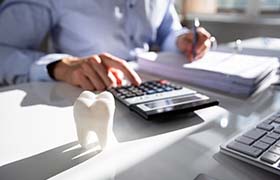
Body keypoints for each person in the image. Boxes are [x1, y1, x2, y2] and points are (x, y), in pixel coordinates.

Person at [0, 0, 212, 91]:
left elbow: (166, 32)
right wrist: (59, 66)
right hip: (79, 98)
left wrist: (181, 40)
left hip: (150, 91)